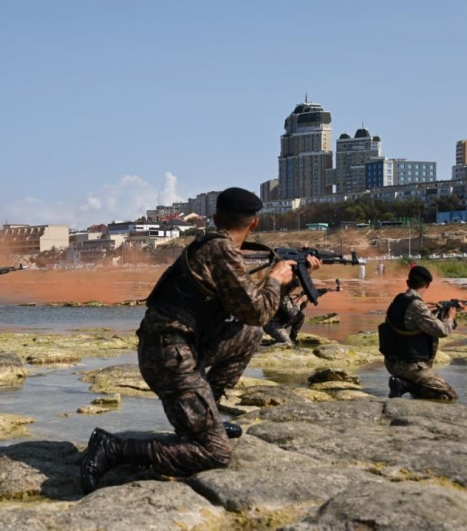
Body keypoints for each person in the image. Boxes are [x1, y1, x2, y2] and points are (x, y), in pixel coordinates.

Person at [79, 187, 320, 494]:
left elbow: (250, 313)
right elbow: (259, 310)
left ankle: (209, 416)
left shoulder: (212, 246)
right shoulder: (221, 251)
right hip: (170, 356)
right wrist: (275, 278)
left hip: (175, 346)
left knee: (250, 334)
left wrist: (290, 278)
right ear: (255, 223)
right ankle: (113, 447)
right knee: (215, 454)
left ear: (216, 218)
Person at [382, 265, 458, 401]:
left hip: (392, 361)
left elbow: (408, 320)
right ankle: (404, 385)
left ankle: (405, 384)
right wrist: (450, 318)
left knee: (425, 391)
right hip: (410, 366)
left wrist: (430, 313)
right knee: (448, 396)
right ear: (427, 284)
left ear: (408, 282)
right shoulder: (417, 305)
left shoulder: (399, 300)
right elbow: (443, 331)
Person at [263, 278, 306, 347]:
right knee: (288, 344)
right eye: (293, 288)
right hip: (272, 326)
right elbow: (292, 313)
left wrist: (304, 302)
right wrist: (300, 301)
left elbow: (296, 312)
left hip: (280, 323)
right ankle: (266, 348)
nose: (293, 290)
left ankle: (293, 339)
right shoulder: (282, 296)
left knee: (300, 316)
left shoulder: (284, 294)